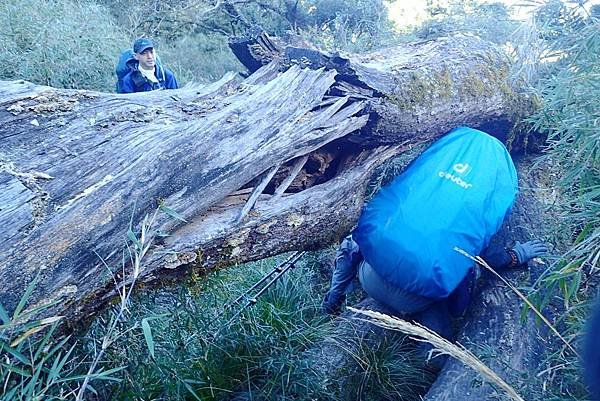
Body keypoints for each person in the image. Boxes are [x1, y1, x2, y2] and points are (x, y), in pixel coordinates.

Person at [322, 127, 549, 345]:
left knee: (353, 241)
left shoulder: (420, 182)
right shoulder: (476, 204)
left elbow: (366, 229)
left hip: (370, 278)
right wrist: (516, 255)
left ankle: (333, 299)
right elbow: (483, 257)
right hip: (418, 301)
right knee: (461, 262)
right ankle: (433, 345)